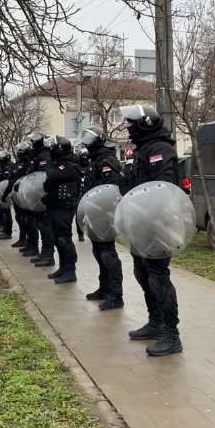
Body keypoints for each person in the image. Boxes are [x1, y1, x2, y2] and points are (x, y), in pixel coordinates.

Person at [119, 104, 182, 356]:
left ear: (144, 124)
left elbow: (162, 187)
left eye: (132, 123)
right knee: (142, 272)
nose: (128, 127)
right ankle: (155, 322)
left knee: (158, 277)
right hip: (140, 223)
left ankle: (171, 335)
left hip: (158, 224)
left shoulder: (159, 149)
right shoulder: (141, 149)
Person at [76, 127, 124, 311]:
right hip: (94, 212)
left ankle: (116, 295)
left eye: (90, 140)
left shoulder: (108, 160)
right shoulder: (95, 159)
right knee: (98, 251)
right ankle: (104, 288)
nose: (87, 144)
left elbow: (109, 189)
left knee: (107, 253)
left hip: (105, 213)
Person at [43, 136, 80, 283]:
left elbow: (52, 175)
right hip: (55, 207)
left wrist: (47, 162)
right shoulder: (59, 164)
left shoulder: (69, 165)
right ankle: (63, 268)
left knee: (64, 240)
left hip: (64, 209)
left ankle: (70, 271)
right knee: (57, 239)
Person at [24, 130, 55, 267]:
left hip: (43, 196)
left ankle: (48, 256)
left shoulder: (44, 155)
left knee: (46, 227)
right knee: (41, 225)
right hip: (38, 195)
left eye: (34, 141)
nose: (32, 144)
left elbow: (43, 176)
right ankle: (44, 253)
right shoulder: (38, 155)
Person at [5, 141, 31, 248]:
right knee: (20, 218)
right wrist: (6, 192)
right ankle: (23, 239)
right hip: (17, 196)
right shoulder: (18, 165)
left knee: (27, 220)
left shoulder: (28, 164)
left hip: (25, 196)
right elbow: (12, 180)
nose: (18, 152)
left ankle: (29, 242)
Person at [0, 150, 15, 240]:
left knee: (5, 212)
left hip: (5, 192)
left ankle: (7, 232)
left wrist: (5, 194)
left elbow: (7, 182)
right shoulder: (3, 167)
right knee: (2, 212)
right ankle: (4, 229)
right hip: (2, 192)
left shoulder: (7, 167)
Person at [74, 146, 90, 241]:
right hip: (79, 193)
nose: (84, 159)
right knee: (79, 214)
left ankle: (90, 231)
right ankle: (80, 233)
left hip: (89, 193)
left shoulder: (91, 167)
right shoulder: (76, 168)